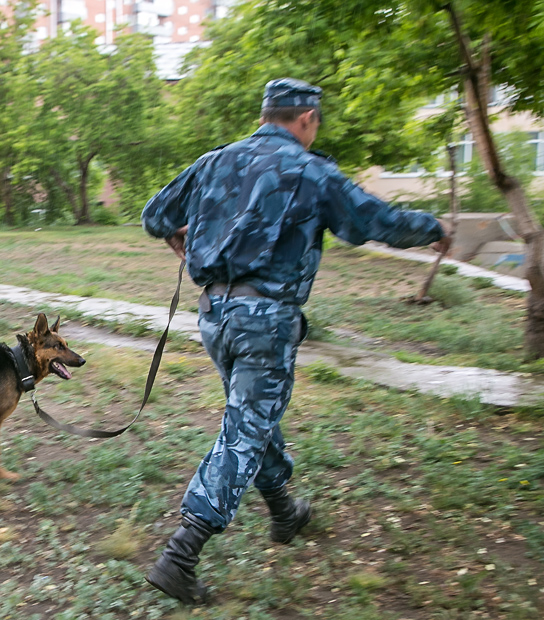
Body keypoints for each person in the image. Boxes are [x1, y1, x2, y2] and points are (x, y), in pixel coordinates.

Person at [140, 77, 451, 605]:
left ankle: (285, 511)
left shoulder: (215, 160)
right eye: (317, 122)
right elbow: (373, 220)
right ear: (306, 119)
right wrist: (433, 227)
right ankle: (180, 555)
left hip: (214, 314)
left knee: (252, 417)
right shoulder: (310, 170)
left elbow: (155, 216)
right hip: (266, 318)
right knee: (245, 427)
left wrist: (183, 241)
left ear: (267, 115)